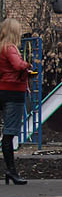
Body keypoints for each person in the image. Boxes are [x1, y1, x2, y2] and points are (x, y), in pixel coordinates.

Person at [0, 18, 33, 185]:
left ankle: (10, 171)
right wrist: (27, 64)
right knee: (10, 132)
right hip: (14, 92)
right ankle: (11, 171)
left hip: (2, 90)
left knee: (7, 131)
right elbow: (18, 65)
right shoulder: (10, 48)